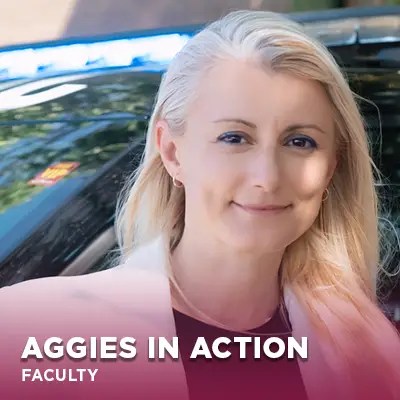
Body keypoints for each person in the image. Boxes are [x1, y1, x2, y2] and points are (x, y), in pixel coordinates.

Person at [0, 9, 399, 400]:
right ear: (172, 152)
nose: (267, 176)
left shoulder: (375, 356)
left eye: (300, 142)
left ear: (332, 167)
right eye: (234, 137)